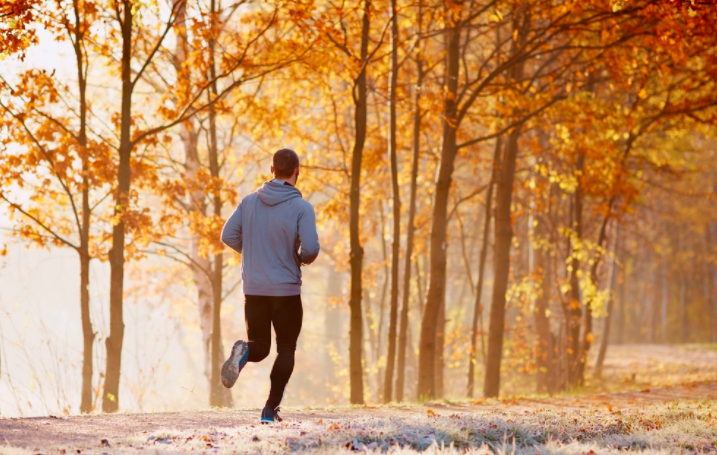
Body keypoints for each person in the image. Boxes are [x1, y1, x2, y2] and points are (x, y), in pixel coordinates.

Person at [220, 148, 320, 424]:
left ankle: (244, 353)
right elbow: (310, 249)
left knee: (260, 346)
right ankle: (269, 410)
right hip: (286, 291)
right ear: (297, 173)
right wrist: (298, 258)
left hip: (254, 289)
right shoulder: (302, 208)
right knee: (285, 348)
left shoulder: (249, 202)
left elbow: (227, 235)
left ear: (271, 170)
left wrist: (254, 254)